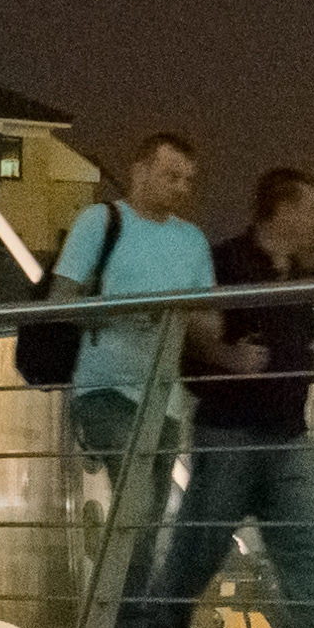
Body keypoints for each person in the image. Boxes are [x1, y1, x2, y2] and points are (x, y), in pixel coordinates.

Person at [116, 167, 314, 628]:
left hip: (287, 434)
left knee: (308, 541)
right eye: (311, 209)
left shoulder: (296, 277)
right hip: (230, 432)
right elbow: (190, 332)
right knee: (199, 545)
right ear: (283, 210)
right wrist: (229, 356)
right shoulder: (223, 264)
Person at [54, 133, 224, 511]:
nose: (182, 188)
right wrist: (125, 309)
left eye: (188, 180)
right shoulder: (100, 221)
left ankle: (131, 556)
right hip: (104, 389)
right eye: (171, 176)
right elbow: (60, 301)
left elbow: (211, 326)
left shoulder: (192, 240)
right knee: (139, 502)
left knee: (147, 515)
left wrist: (176, 310)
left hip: (164, 400)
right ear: (140, 172)